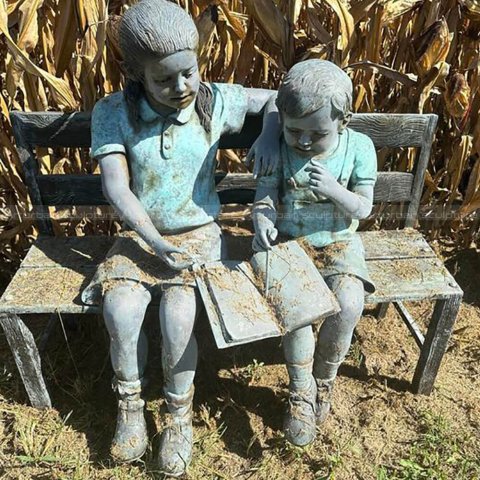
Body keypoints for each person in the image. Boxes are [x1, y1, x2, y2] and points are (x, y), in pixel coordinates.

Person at [81, 0, 279, 475]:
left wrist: (270, 134)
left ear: (197, 58)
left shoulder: (214, 99)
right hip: (139, 236)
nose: (180, 87)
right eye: (163, 80)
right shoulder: (113, 113)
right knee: (121, 309)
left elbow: (277, 97)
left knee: (178, 316)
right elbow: (116, 187)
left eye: (187, 72)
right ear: (136, 73)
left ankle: (177, 415)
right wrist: (151, 239)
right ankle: (129, 407)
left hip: (199, 234)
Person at [252, 59, 377, 447]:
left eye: (316, 134)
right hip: (290, 243)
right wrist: (263, 220)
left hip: (339, 241)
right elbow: (265, 196)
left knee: (349, 303)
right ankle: (301, 392)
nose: (304, 142)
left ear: (344, 122)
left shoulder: (358, 147)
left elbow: (364, 208)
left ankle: (325, 379)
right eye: (295, 132)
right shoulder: (280, 147)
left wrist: (335, 191)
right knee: (300, 313)